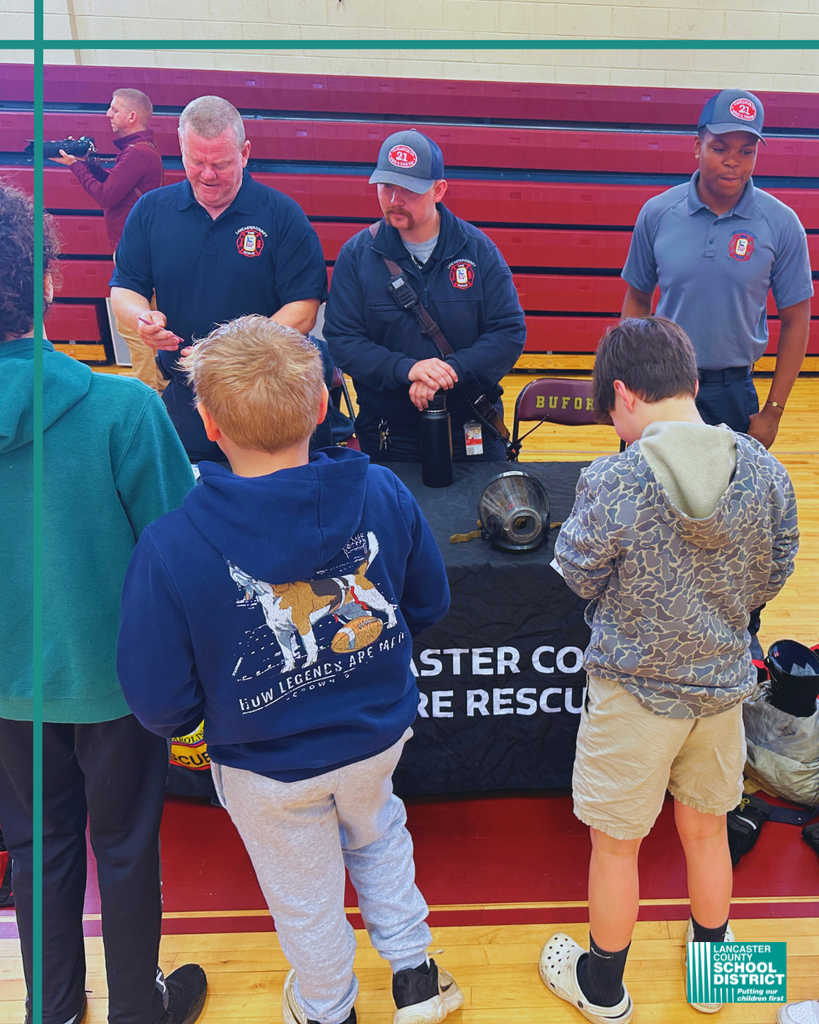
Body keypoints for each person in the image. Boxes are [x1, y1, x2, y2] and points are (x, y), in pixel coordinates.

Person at [116, 315, 464, 1024]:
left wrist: (195, 718)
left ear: (208, 424)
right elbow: (428, 602)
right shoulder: (384, 493)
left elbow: (158, 701)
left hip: (265, 766)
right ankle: (416, 978)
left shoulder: (171, 543)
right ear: (320, 405)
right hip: (375, 735)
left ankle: (327, 1006)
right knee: (380, 834)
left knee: (304, 894)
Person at [539, 317, 799, 1023]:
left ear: (621, 394)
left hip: (631, 697)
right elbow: (775, 569)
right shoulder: (765, 467)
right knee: (707, 830)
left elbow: (575, 574)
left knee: (616, 848)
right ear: (689, 383)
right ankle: (716, 973)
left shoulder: (613, 479)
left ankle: (602, 988)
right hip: (720, 689)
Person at [0, 183, 206, 1024]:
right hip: (116, 684)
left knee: (37, 846)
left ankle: (53, 1008)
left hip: (12, 690)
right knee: (124, 848)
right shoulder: (125, 408)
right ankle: (136, 1008)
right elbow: (176, 556)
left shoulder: (123, 408)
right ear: (49, 280)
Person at [110, 95, 328, 462]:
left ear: (244, 153)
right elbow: (125, 287)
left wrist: (230, 355)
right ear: (181, 146)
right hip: (187, 398)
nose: (207, 174)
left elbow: (304, 310)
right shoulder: (150, 211)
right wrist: (141, 318)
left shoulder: (282, 215)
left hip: (267, 396)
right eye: (197, 161)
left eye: (221, 164)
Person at [621, 89, 813, 450]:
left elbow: (797, 318)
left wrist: (773, 411)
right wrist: (629, 383)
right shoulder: (658, 213)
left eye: (747, 151)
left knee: (729, 505)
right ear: (697, 146)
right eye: (720, 147)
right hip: (661, 384)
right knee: (650, 502)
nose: (733, 161)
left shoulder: (782, 224)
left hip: (733, 392)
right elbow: (636, 300)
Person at [324, 128, 526, 462]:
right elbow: (343, 341)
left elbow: (509, 333)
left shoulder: (478, 251)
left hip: (471, 432)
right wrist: (407, 369)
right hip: (388, 437)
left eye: (409, 190)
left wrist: (450, 371)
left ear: (439, 190)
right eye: (387, 186)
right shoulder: (356, 256)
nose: (394, 200)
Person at [51, 87, 165, 391]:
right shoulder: (141, 150)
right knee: (148, 321)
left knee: (134, 326)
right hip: (141, 249)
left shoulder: (137, 152)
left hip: (133, 252)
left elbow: (105, 195)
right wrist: (86, 164)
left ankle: (147, 395)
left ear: (132, 116)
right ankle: (160, 391)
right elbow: (115, 184)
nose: (108, 115)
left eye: (114, 110)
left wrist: (77, 167)